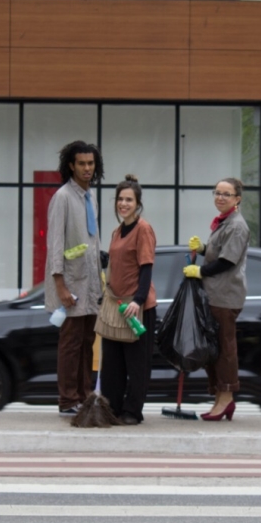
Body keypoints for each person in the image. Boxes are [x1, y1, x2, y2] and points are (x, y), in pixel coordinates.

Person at [45, 140, 105, 417]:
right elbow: (55, 244)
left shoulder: (89, 197)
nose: (87, 168)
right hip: (70, 283)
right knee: (70, 344)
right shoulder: (63, 197)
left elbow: (91, 243)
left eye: (90, 163)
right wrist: (60, 286)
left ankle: (84, 396)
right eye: (81, 163)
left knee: (86, 344)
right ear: (71, 165)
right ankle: (68, 400)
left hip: (91, 284)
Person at [183, 177, 249, 421]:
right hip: (213, 294)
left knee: (224, 349)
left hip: (225, 296)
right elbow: (217, 252)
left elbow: (227, 261)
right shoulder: (223, 222)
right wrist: (202, 249)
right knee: (214, 348)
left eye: (226, 194)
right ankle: (219, 398)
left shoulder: (237, 225)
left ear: (237, 199)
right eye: (217, 192)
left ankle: (227, 397)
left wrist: (200, 270)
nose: (220, 197)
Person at [100, 175, 157, 426]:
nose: (123, 204)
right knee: (112, 363)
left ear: (138, 203)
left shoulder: (143, 229)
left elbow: (146, 268)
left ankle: (133, 411)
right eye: (120, 199)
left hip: (137, 307)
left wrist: (139, 300)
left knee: (136, 365)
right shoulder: (115, 231)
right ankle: (111, 408)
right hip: (116, 305)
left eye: (129, 200)